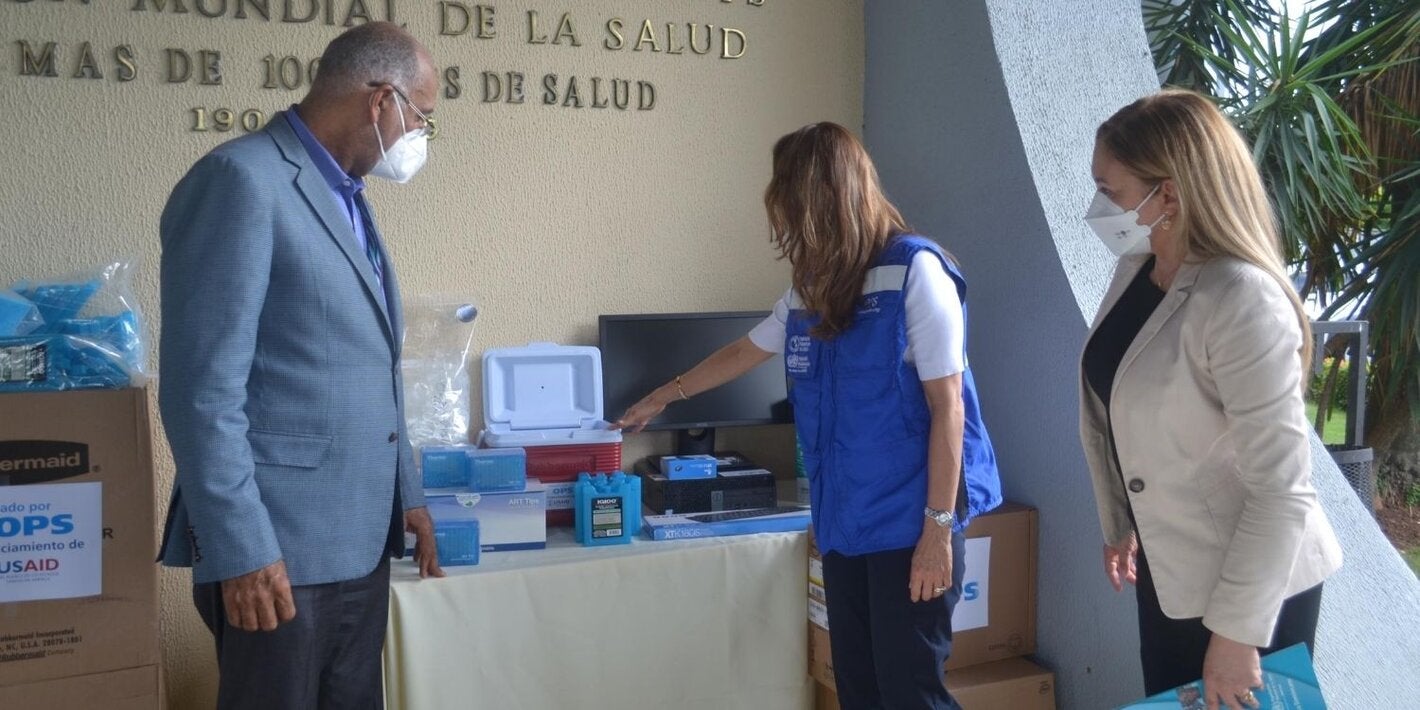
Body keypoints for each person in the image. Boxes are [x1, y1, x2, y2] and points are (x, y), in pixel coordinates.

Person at [615, 122, 1001, 709]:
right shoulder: (813, 287)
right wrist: (663, 396)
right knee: (860, 688)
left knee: (911, 691)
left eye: (791, 205)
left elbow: (949, 410)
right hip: (847, 526)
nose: (787, 225)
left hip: (910, 523)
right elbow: (746, 351)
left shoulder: (916, 272)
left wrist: (936, 534)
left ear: (825, 199)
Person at [156, 22, 446, 708]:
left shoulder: (347, 196)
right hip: (278, 552)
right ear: (381, 101)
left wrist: (409, 494)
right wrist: (242, 549)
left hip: (357, 541)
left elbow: (366, 367)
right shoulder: (241, 180)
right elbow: (203, 392)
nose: (421, 135)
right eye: (422, 115)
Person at [1079, 89, 1343, 710]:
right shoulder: (1137, 270)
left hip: (1250, 587)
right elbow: (1117, 398)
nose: (1098, 205)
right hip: (1172, 571)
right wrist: (1123, 518)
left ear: (1167, 194)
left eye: (1109, 189)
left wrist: (1235, 635)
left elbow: (1283, 490)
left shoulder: (1242, 298)